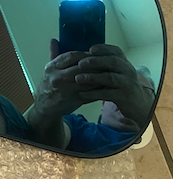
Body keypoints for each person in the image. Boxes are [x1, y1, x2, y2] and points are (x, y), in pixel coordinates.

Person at [26, 40, 156, 154]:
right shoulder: (76, 126)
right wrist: (44, 109)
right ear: (103, 103)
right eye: (117, 87)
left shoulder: (161, 136)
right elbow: (42, 146)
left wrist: (146, 116)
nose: (128, 94)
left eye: (142, 91)